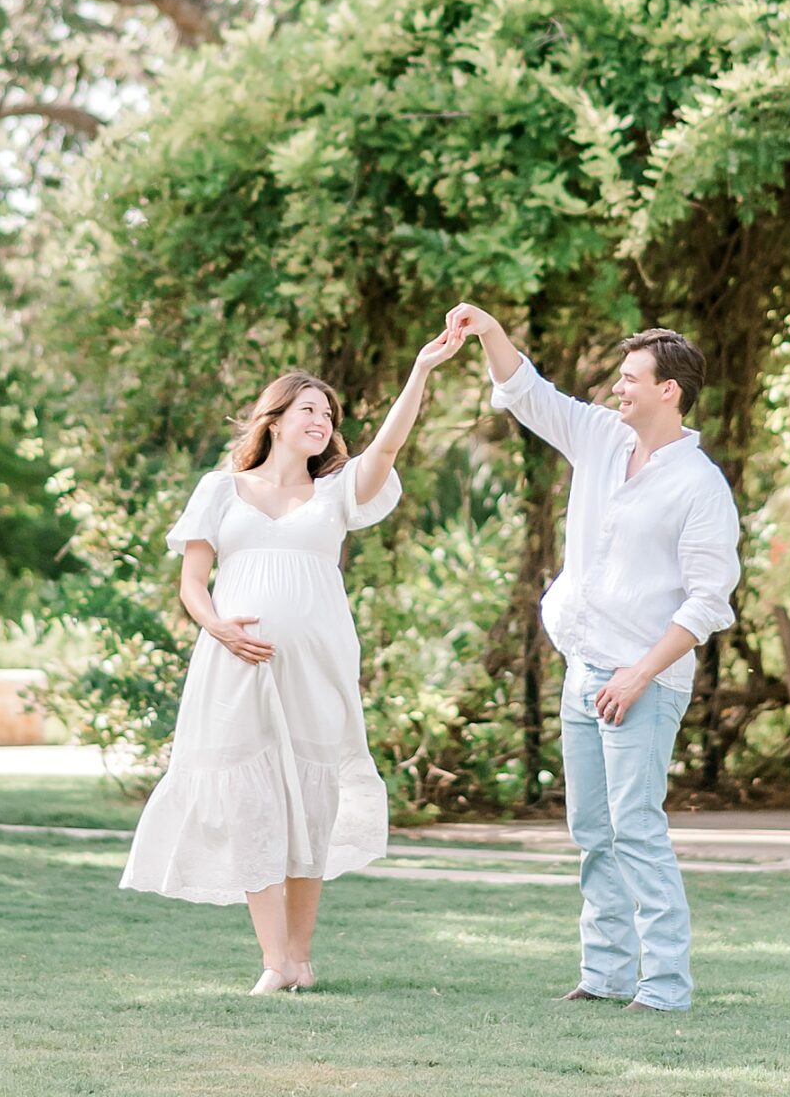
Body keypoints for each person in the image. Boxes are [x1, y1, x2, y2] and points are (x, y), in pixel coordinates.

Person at [120, 335, 460, 992]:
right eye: (308, 409)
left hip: (318, 669)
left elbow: (386, 447)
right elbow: (193, 582)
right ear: (273, 419)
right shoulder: (220, 490)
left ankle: (300, 960)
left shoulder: (338, 493)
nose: (321, 422)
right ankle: (274, 960)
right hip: (235, 668)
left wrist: (420, 367)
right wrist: (217, 626)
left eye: (329, 416)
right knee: (250, 804)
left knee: (310, 803)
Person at [444, 304, 739, 1015]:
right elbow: (529, 392)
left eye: (630, 378)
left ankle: (664, 985)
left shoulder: (698, 484)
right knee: (592, 833)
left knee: (634, 826)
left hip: (642, 680)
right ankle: (604, 974)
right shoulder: (601, 439)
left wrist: (639, 674)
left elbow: (707, 601)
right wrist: (487, 331)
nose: (617, 389)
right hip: (583, 670)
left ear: (668, 390)